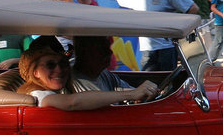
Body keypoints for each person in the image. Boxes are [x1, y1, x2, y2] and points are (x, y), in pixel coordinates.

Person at [16, 44, 157, 110]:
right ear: (35, 73)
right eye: (50, 65)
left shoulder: (59, 90)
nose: (59, 70)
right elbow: (72, 102)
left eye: (63, 64)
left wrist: (139, 93)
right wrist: (133, 94)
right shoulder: (38, 95)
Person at [134, 0, 199, 71]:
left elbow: (193, 8)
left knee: (167, 84)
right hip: (147, 50)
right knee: (147, 84)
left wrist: (179, 30)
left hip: (166, 50)